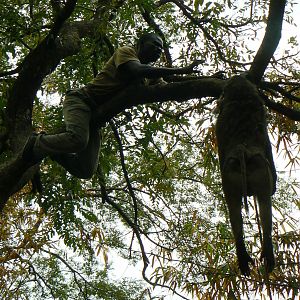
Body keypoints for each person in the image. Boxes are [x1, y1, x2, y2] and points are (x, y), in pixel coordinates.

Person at [22, 33, 201, 179]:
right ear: (140, 44)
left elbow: (169, 88)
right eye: (154, 44)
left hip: (95, 118)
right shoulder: (126, 52)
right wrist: (180, 69)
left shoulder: (151, 75)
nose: (158, 50)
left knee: (85, 171)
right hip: (81, 101)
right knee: (77, 140)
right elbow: (136, 70)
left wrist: (205, 80)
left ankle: (51, 151)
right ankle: (38, 141)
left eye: (161, 48)